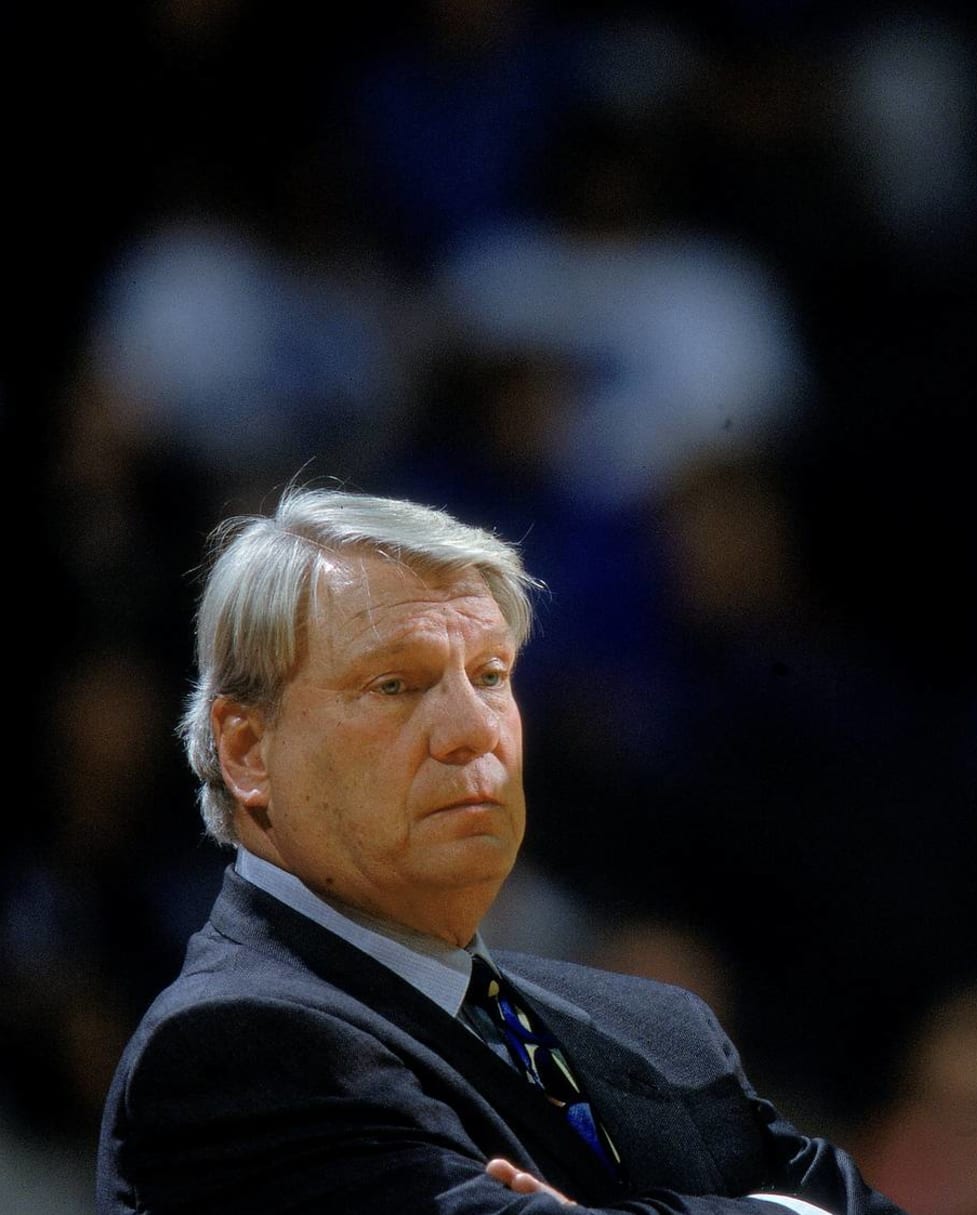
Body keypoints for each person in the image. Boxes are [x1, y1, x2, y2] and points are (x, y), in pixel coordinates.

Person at [97, 488, 904, 1215]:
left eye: (489, 675)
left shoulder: (664, 1029)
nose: (474, 729)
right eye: (396, 684)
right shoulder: (231, 1045)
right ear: (246, 748)